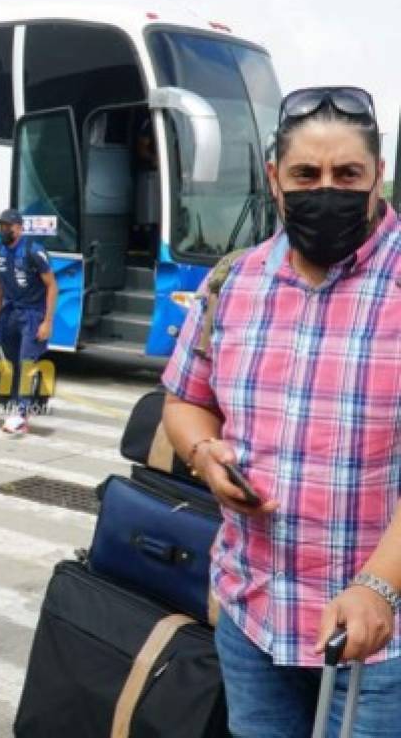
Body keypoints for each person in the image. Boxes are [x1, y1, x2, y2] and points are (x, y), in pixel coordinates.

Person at [162, 86, 401, 736]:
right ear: (276, 179)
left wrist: (380, 585)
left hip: (382, 643)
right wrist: (204, 455)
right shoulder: (233, 281)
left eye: (347, 174)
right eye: (306, 174)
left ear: (379, 174)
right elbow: (185, 400)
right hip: (253, 619)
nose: (327, 190)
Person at [0, 209, 57, 435]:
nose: (3, 231)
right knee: (14, 362)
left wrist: (47, 322)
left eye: (8, 226)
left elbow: (52, 286)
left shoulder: (33, 252)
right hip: (9, 313)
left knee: (26, 362)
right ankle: (23, 402)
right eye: (1, 226)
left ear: (19, 228)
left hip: (32, 314)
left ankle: (22, 413)